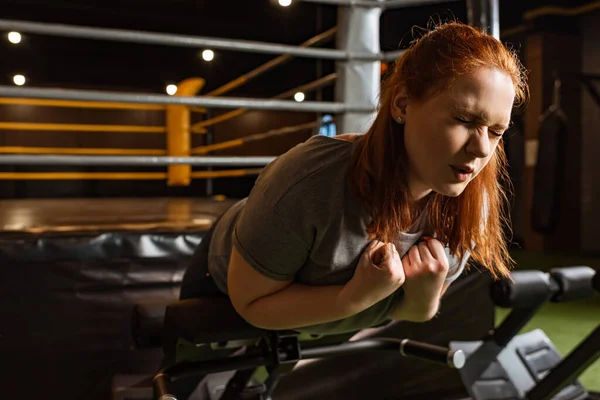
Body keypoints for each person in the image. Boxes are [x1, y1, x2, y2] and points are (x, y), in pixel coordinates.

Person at [180, 21, 529, 337]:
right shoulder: (309, 180)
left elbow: (413, 313)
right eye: (465, 120)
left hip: (324, 319)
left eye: (496, 131)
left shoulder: (469, 202)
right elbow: (252, 304)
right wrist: (353, 297)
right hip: (225, 286)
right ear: (402, 105)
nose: (482, 149)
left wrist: (423, 298)